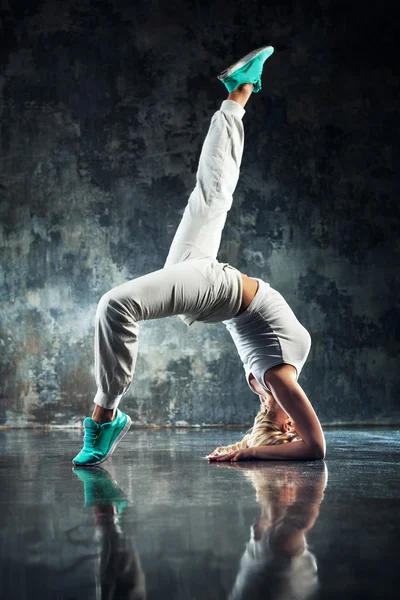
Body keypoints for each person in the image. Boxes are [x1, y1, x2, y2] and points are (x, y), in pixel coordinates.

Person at [72, 45, 325, 467]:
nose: (271, 412)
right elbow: (316, 448)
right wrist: (251, 453)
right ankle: (105, 416)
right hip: (220, 291)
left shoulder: (273, 387)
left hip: (217, 294)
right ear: (288, 428)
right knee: (116, 306)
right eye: (278, 422)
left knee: (211, 196)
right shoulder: (282, 379)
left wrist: (251, 443)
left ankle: (240, 92)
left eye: (265, 416)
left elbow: (291, 431)